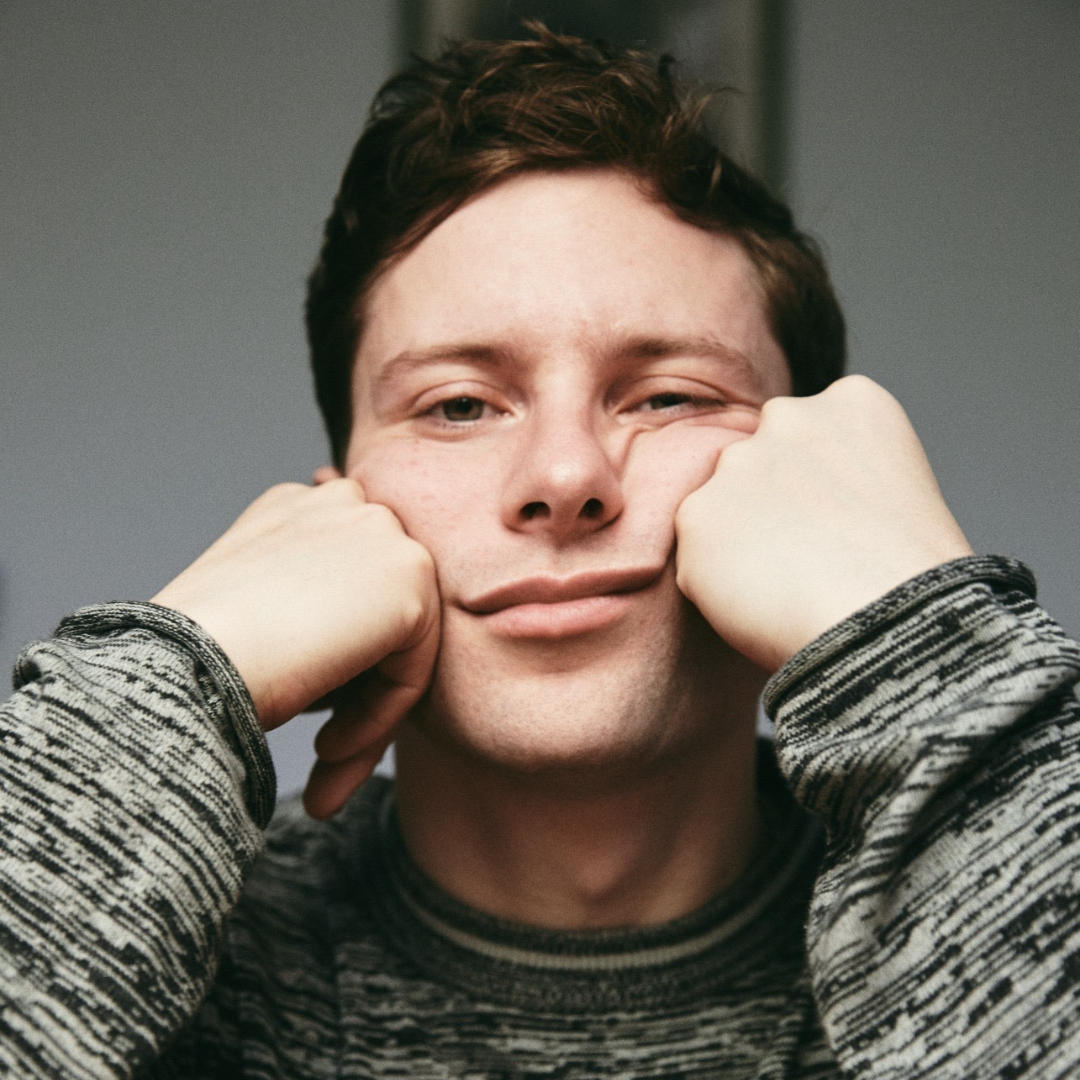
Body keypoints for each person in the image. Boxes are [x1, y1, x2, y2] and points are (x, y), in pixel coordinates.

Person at [2, 24, 1078, 1080]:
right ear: (335, 519)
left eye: (668, 396)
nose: (564, 477)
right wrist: (185, 670)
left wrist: (918, 636)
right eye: (460, 405)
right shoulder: (177, 968)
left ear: (821, 478)